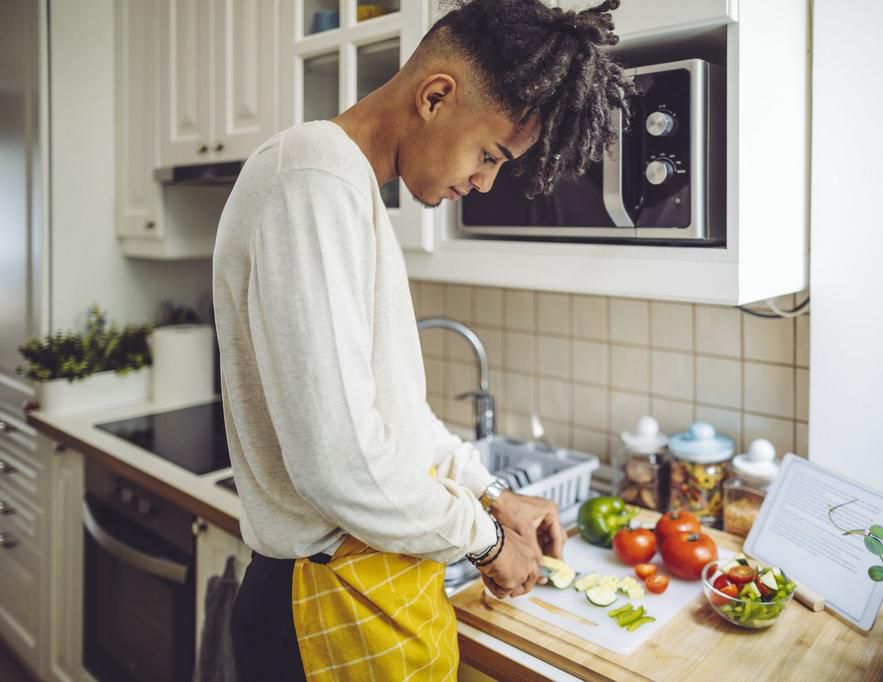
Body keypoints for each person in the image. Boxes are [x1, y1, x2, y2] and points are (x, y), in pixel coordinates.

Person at [212, 0, 633, 678]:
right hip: (318, 605)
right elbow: (340, 463)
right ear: (437, 96)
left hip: (355, 591)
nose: (483, 182)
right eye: (489, 154)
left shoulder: (346, 187)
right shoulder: (314, 177)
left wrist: (492, 492)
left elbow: (394, 419)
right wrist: (487, 540)